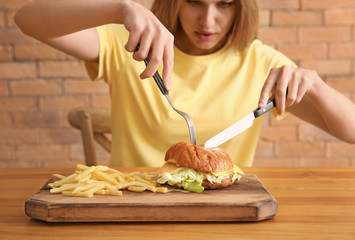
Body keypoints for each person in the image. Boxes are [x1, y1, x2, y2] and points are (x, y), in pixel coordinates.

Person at [14, 0, 355, 167]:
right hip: (132, 214)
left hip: (224, 219)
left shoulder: (261, 63)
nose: (208, 20)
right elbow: (27, 20)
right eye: (194, 0)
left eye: (224, 3)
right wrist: (121, 9)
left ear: (241, 8)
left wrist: (316, 85)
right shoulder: (129, 43)